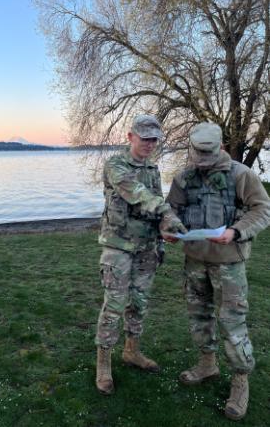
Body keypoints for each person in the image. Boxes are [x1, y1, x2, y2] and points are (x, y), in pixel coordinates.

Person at [165, 122, 270, 421]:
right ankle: (207, 364)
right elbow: (171, 209)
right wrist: (170, 228)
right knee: (199, 317)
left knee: (232, 322)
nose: (202, 162)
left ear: (220, 147)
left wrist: (236, 231)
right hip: (195, 260)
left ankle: (240, 379)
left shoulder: (241, 174)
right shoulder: (184, 177)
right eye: (198, 156)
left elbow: (263, 209)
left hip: (229, 264)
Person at [95, 114, 186, 395]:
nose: (149, 143)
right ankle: (103, 363)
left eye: (154, 139)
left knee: (139, 303)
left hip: (146, 248)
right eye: (144, 138)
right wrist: (167, 212)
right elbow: (138, 194)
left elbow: (154, 206)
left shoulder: (153, 169)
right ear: (130, 136)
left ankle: (131, 351)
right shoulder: (116, 166)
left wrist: (164, 233)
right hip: (119, 247)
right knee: (114, 305)